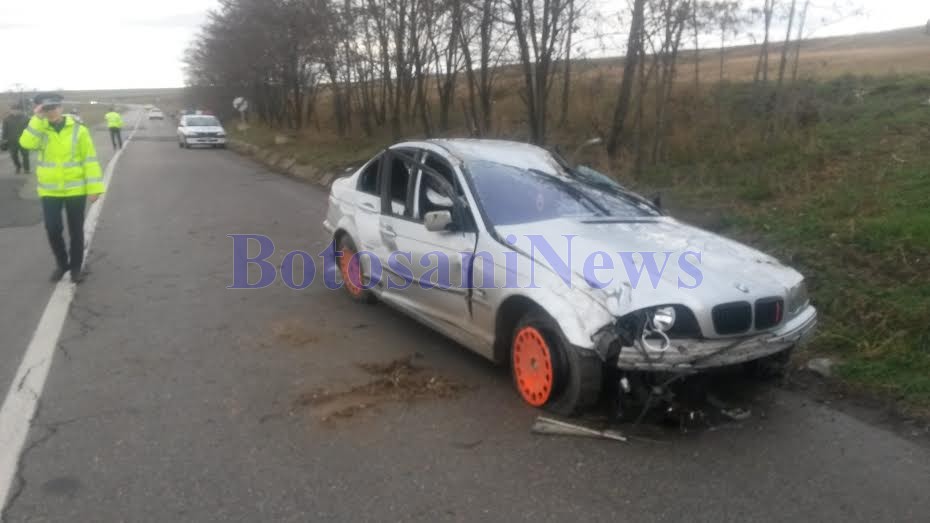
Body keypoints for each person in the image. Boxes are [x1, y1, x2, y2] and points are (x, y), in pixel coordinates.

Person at [19, 92, 105, 283]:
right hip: (50, 191)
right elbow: (25, 143)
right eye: (47, 108)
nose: (52, 111)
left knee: (76, 230)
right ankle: (62, 263)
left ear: (61, 107)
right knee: (52, 228)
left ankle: (75, 268)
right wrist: (36, 119)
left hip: (76, 190)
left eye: (54, 107)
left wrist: (94, 187)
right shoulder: (40, 129)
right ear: (42, 109)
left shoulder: (78, 130)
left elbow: (89, 160)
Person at [2, 105, 30, 174]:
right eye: (13, 110)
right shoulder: (6, 119)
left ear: (20, 110)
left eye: (16, 110)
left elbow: (30, 129)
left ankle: (26, 169)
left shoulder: (26, 118)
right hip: (12, 141)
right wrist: (4, 140)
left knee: (25, 155)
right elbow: (4, 130)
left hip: (24, 141)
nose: (14, 112)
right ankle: (18, 167)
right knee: (14, 156)